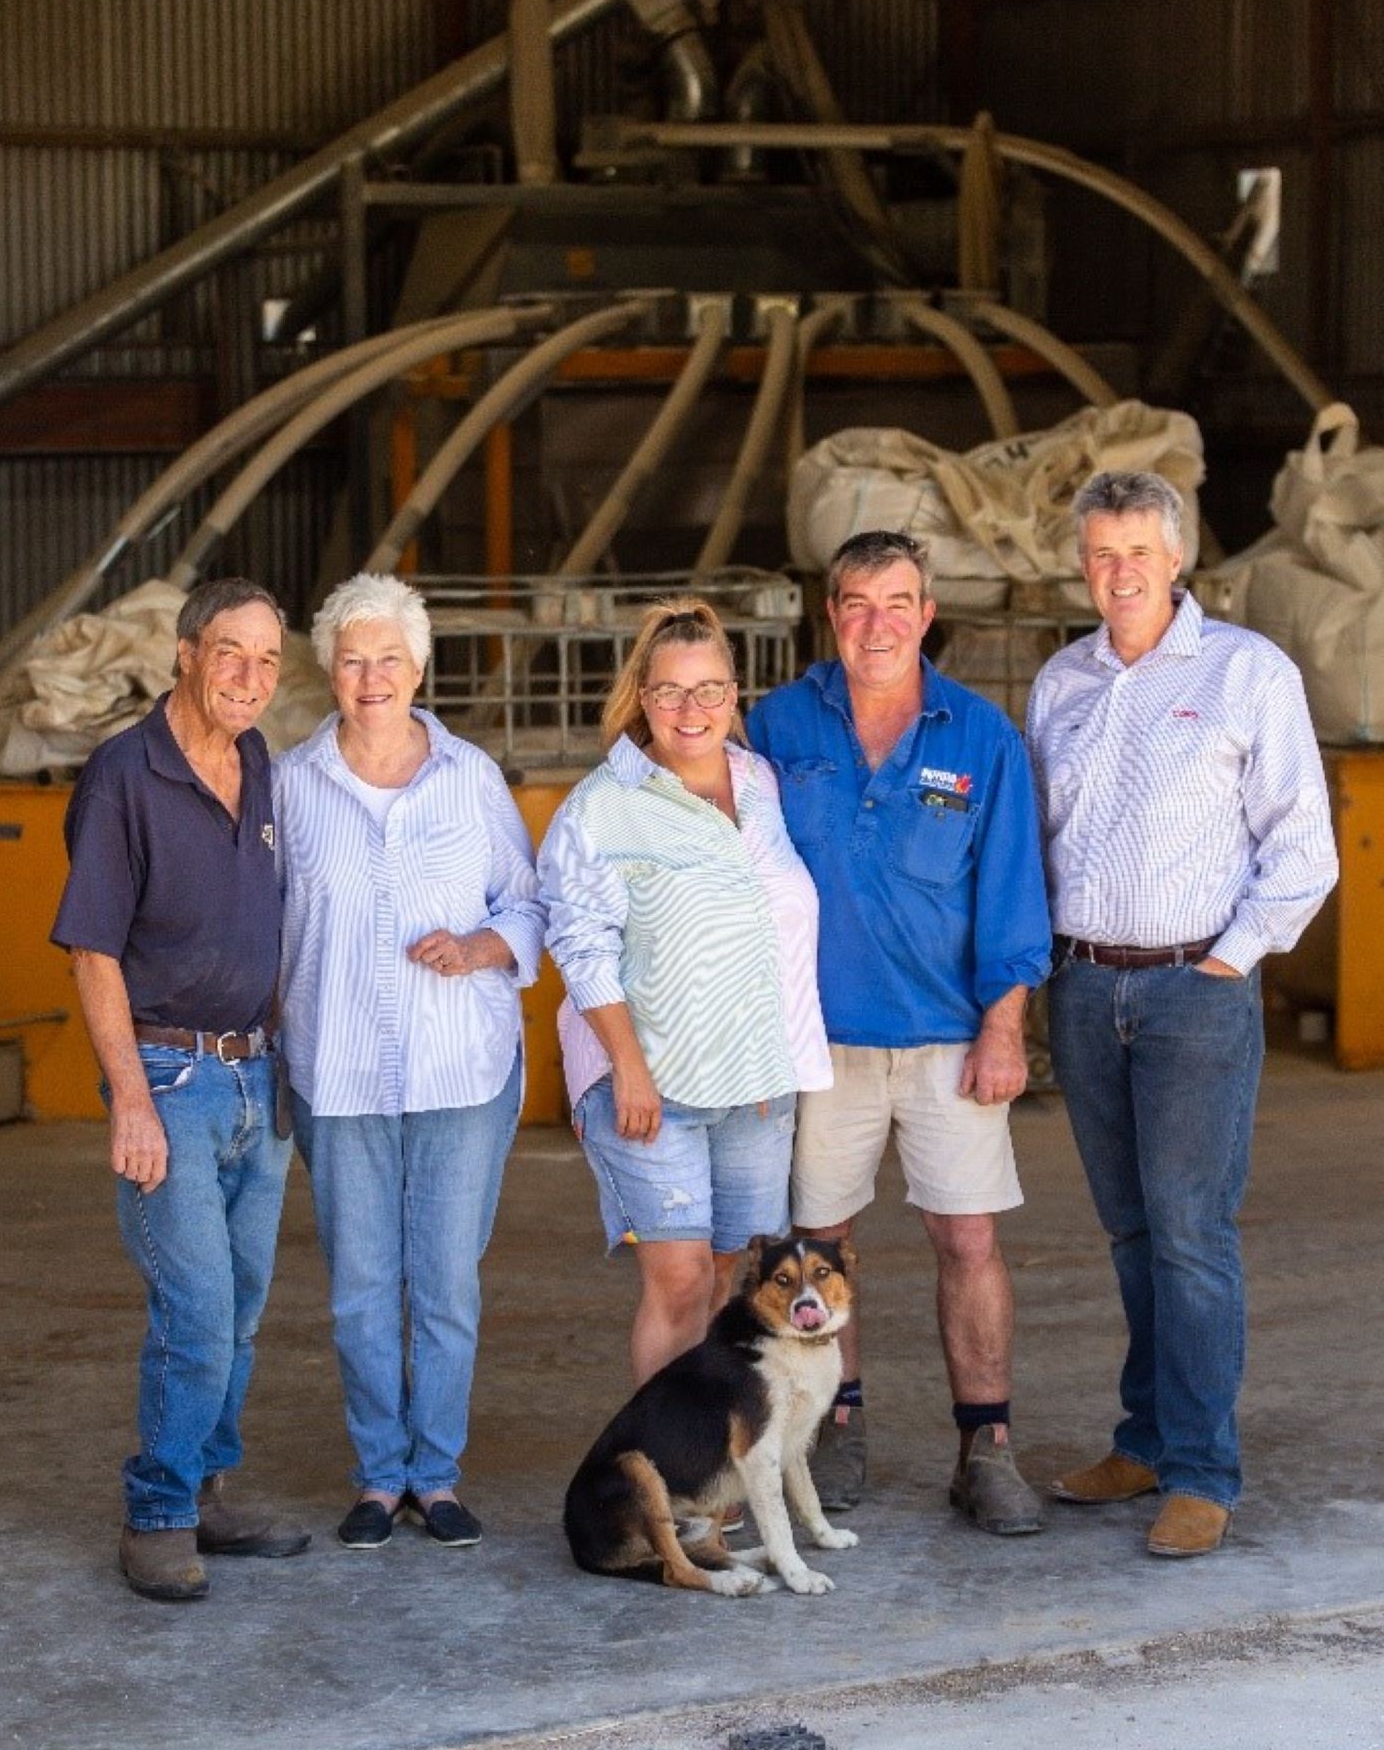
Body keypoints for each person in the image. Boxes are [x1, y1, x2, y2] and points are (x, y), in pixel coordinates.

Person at [1025, 469, 1338, 1557]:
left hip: (1192, 989)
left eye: (1139, 554)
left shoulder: (1247, 672)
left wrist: (1231, 961)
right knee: (1131, 1232)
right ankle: (1147, 1439)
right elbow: (1043, 841)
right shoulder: (1059, 682)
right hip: (1084, 984)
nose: (1120, 573)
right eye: (1102, 553)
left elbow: (1304, 844)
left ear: (1178, 557)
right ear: (1082, 562)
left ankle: (1203, 1470)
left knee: (1194, 1235)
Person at [748, 531, 1051, 1533]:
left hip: (948, 1041)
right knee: (817, 1244)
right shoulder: (778, 724)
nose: (876, 622)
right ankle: (837, 1423)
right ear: (828, 612)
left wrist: (1005, 1025)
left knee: (966, 1236)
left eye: (898, 601)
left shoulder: (979, 736)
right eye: (855, 602)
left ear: (927, 614)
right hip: (815, 1043)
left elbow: (1013, 894)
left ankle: (987, 1445)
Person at [273, 573, 544, 1551]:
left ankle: (437, 1474)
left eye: (389, 658)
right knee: (357, 1286)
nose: (372, 675)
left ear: (420, 666)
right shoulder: (291, 786)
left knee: (444, 1284)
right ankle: (377, 1476)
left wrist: (477, 949)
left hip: (459, 1073)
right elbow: (263, 925)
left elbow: (527, 901)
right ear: (328, 670)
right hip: (338, 1074)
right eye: (353, 659)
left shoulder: (470, 777)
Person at [52, 577, 308, 1603]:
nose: (249, 678)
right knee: (196, 1306)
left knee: (241, 1307)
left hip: (258, 1072)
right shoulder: (124, 774)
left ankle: (207, 1483)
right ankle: (157, 1512)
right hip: (172, 1077)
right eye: (230, 653)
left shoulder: (260, 763)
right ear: (187, 653)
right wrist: (130, 1098)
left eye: (267, 661)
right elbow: (92, 950)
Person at [539, 598, 832, 1386]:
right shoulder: (604, 805)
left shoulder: (760, 783)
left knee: (727, 1281)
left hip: (754, 1085)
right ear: (642, 696)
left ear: (734, 695)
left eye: (709, 689)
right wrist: (627, 1065)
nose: (689, 709)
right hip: (652, 1083)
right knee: (678, 1280)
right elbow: (579, 942)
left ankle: (708, 1466)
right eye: (669, 691)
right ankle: (663, 1478)